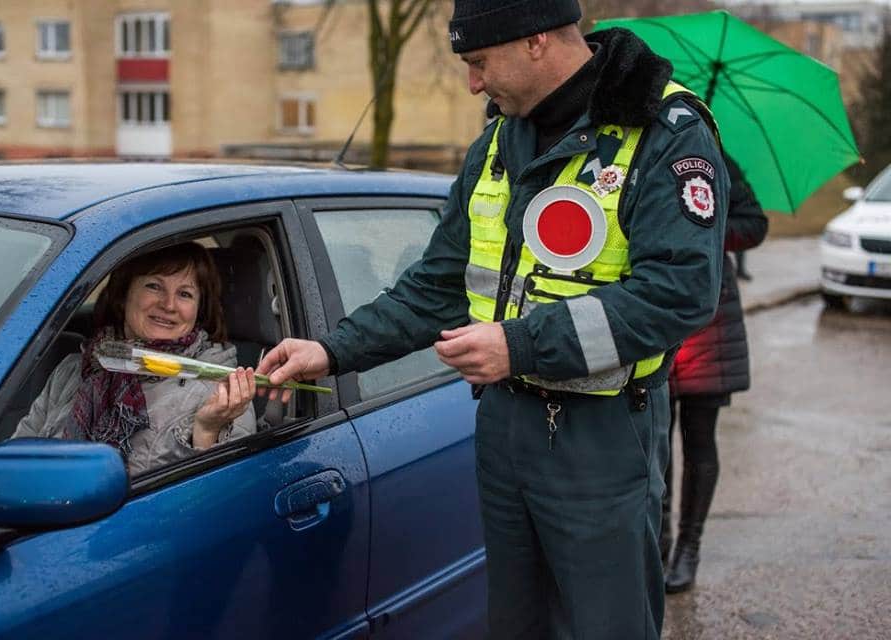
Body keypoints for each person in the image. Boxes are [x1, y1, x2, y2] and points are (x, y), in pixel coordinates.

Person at [258, 1, 729, 636]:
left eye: (479, 62)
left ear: (535, 41)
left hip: (602, 433)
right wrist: (331, 350)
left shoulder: (664, 132)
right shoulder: (500, 140)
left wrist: (520, 345)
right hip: (504, 424)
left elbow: (679, 292)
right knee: (516, 623)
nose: (473, 83)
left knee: (604, 623)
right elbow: (439, 285)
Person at [13, 242, 258, 475]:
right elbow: (17, 460)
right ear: (123, 294)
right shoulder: (73, 369)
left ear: (198, 310)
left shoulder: (223, 393)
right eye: (154, 286)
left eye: (185, 294)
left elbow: (215, 502)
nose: (169, 305)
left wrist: (206, 432)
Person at [662, 154, 768, 593]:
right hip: (655, 317)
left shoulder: (721, 160)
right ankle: (658, 542)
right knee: (653, 446)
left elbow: (754, 225)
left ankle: (689, 548)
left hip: (710, 321)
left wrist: (706, 231)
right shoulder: (643, 154)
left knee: (700, 439)